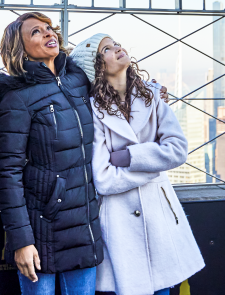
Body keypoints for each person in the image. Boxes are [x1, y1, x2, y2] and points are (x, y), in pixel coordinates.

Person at [70, 34, 205, 295]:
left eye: (116, 43)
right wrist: (154, 166)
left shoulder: (152, 97)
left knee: (162, 290)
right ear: (95, 66)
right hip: (118, 227)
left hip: (159, 222)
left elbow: (178, 150)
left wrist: (130, 157)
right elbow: (104, 179)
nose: (118, 48)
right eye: (106, 49)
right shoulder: (92, 111)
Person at [0, 13, 103, 295]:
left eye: (48, 28)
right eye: (35, 32)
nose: (48, 34)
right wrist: (20, 241)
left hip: (83, 226)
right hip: (40, 232)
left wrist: (149, 93)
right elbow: (8, 172)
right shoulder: (17, 98)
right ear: (18, 47)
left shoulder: (78, 79)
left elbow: (115, 82)